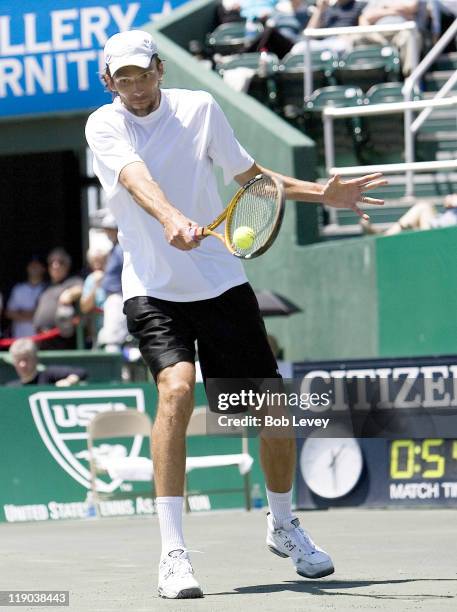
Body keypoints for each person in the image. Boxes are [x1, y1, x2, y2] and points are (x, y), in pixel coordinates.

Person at [85, 29, 386, 599]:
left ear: (159, 70)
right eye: (121, 79)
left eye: (141, 74)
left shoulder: (199, 109)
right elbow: (135, 179)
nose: (134, 87)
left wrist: (324, 193)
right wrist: (173, 218)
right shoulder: (104, 124)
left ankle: (281, 523)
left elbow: (252, 179)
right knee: (175, 391)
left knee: (270, 411)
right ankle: (173, 554)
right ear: (109, 83)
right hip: (152, 289)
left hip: (222, 284)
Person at [354, 0, 424, 76]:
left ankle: (410, 77)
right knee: (358, 38)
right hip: (378, 34)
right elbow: (365, 17)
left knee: (409, 37)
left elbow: (411, 7)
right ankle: (362, 76)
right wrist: (393, 11)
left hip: (401, 32)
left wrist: (383, 8)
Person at [33, 248, 83, 350]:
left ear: (67, 265)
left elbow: (82, 289)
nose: (55, 266)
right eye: (52, 262)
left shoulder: (73, 281)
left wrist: (70, 293)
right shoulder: (45, 287)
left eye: (60, 262)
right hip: (42, 339)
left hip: (62, 339)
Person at [361, 193, 457, 236]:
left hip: (443, 236)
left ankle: (385, 236)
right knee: (424, 207)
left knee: (423, 207)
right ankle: (385, 236)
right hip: (438, 227)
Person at [6, 337, 87, 387]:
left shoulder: (48, 376)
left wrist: (69, 381)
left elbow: (81, 372)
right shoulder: (11, 388)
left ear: (35, 359)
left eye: (26, 359)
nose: (22, 364)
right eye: (18, 360)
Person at [5, 256, 47, 338]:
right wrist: (35, 315)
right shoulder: (18, 289)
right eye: (31, 265)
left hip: (43, 339)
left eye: (37, 265)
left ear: (43, 269)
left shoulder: (48, 288)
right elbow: (9, 313)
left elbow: (48, 314)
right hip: (20, 337)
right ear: (27, 268)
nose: (34, 268)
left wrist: (21, 313)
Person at [80, 247, 108, 347]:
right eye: (94, 261)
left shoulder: (115, 276)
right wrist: (96, 285)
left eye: (101, 260)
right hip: (97, 334)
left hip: (117, 329)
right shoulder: (90, 279)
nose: (98, 264)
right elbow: (84, 307)